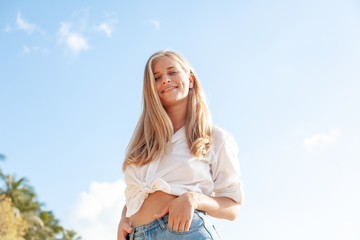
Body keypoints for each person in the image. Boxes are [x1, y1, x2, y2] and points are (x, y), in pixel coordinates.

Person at [117, 50, 244, 240]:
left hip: (187, 233)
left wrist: (193, 198)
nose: (165, 80)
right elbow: (137, 193)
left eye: (172, 72)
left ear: (190, 79)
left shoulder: (215, 137)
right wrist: (123, 219)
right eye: (157, 77)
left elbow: (233, 207)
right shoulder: (144, 143)